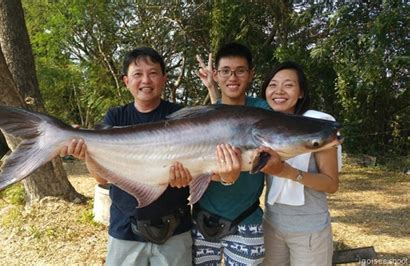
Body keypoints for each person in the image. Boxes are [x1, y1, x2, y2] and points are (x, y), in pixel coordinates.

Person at [60, 47, 192, 266]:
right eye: (137, 74)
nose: (145, 80)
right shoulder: (115, 117)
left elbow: (197, 167)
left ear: (164, 78)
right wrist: (87, 156)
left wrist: (187, 177)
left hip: (175, 230)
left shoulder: (183, 117)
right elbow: (102, 180)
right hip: (125, 228)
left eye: (153, 73)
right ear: (126, 81)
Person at [175, 42, 269, 265]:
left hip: (247, 218)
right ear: (216, 75)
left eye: (240, 71)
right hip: (203, 217)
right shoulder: (204, 115)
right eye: (226, 71)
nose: (233, 77)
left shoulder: (263, 112)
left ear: (251, 74)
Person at [257, 61, 340, 266]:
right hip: (272, 225)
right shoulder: (264, 125)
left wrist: (287, 171)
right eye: (273, 84)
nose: (279, 91)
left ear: (301, 92)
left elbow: (331, 184)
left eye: (288, 85)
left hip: (309, 231)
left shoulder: (317, 126)